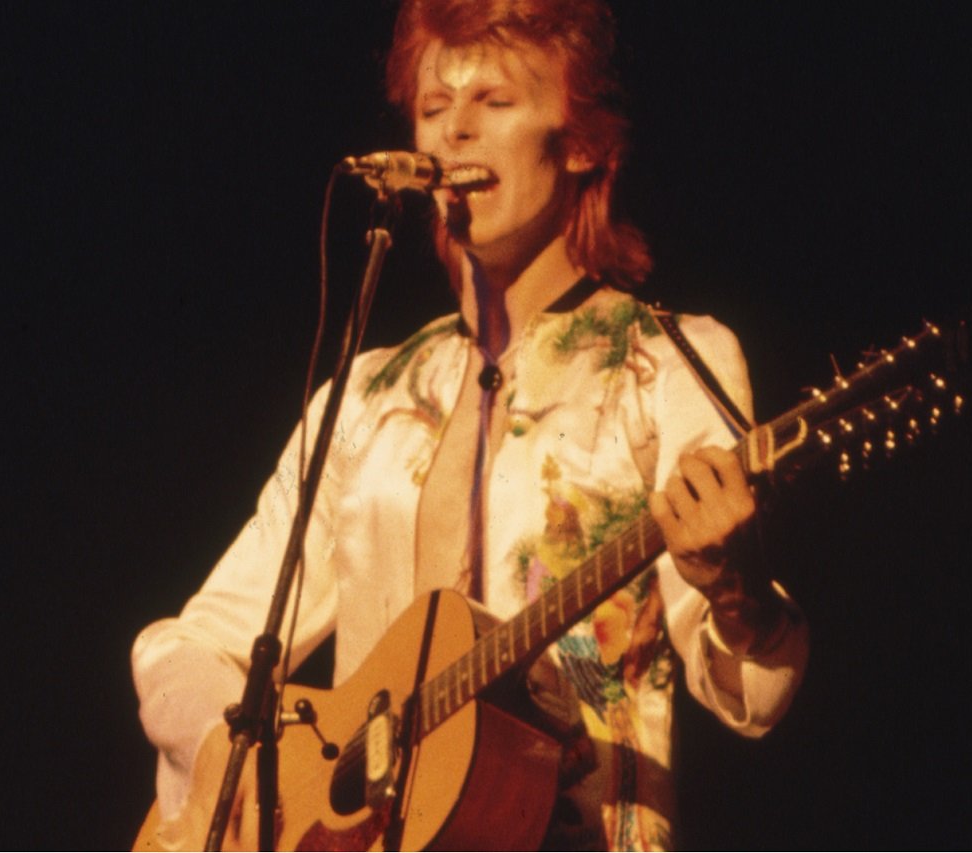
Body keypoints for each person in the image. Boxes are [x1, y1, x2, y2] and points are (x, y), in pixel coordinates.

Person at [132, 0, 809, 849]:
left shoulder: (665, 364)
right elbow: (184, 645)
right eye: (432, 108)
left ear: (583, 139)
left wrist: (736, 590)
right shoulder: (369, 396)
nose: (453, 134)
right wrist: (234, 765)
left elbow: (750, 694)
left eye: (493, 103)